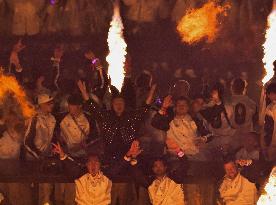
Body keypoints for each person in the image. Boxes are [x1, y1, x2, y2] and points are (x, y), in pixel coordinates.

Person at [77, 79, 156, 205]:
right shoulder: (106, 117)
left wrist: (152, 91)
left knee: (132, 188)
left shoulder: (131, 117)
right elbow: (91, 105)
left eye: (121, 103)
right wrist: (83, 91)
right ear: (112, 105)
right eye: (116, 103)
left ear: (124, 105)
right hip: (111, 159)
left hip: (130, 159)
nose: (119, 105)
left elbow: (145, 108)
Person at [52, 140, 142, 205]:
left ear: (100, 165)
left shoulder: (107, 175)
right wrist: (61, 154)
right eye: (90, 163)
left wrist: (129, 153)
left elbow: (119, 165)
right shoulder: (80, 175)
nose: (93, 165)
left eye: (95, 162)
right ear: (86, 165)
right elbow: (69, 165)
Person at [152, 95, 212, 161]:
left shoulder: (196, 120)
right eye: (179, 105)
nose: (181, 107)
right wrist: (163, 107)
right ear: (175, 107)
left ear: (188, 107)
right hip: (175, 158)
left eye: (184, 105)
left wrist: (203, 139)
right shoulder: (169, 121)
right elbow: (155, 123)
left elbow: (210, 134)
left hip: (194, 157)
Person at [24, 93, 57, 205]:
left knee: (47, 189)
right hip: (33, 161)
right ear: (41, 105)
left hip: (46, 160)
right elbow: (27, 142)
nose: (52, 104)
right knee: (35, 190)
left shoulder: (52, 119)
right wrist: (38, 156)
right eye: (49, 103)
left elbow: (52, 139)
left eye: (52, 102)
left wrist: (53, 150)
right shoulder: (34, 119)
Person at [262, 83, 276, 161]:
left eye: (269, 94)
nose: (268, 96)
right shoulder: (270, 105)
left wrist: (272, 146)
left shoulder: (274, 107)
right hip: (268, 140)